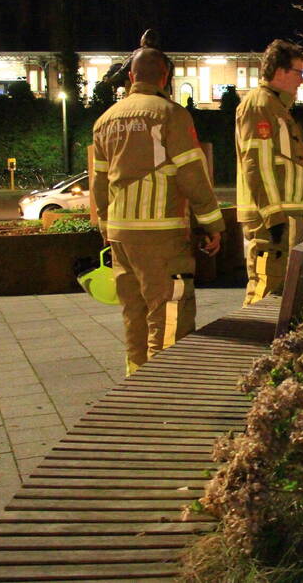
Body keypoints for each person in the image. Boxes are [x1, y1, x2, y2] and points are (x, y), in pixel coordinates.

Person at [92, 47, 224, 376]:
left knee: (133, 315)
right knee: (169, 312)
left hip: (121, 237)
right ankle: (162, 387)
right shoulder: (171, 114)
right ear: (165, 77)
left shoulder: (105, 121)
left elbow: (98, 184)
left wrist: (107, 229)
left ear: (132, 76)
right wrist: (212, 223)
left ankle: (134, 382)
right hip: (161, 236)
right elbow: (192, 173)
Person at [235, 39, 303, 306]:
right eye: (299, 72)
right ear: (280, 72)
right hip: (273, 218)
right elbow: (256, 163)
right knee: (265, 289)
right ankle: (256, 345)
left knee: (277, 290)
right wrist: (273, 216)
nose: (302, 80)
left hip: (283, 215)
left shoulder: (274, 106)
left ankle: (270, 344)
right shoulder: (260, 106)